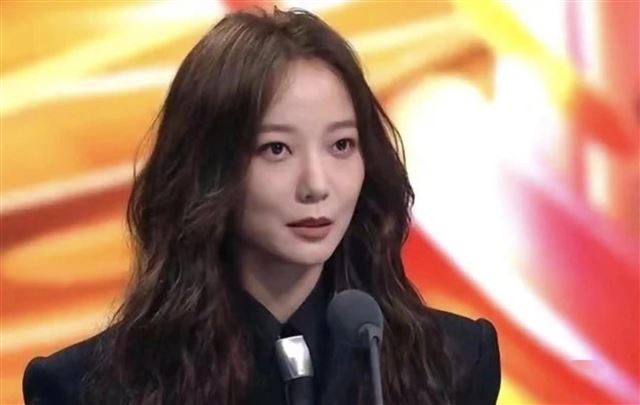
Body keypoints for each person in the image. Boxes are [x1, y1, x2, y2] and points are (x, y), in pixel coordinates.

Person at [22, 6, 500, 405]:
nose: (316, 185)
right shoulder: (85, 390)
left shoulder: (453, 366)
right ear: (209, 170)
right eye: (276, 149)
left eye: (341, 145)